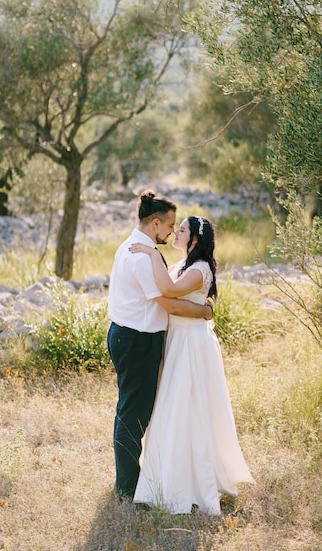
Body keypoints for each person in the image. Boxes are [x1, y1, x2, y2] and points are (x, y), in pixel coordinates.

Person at [129, 215, 254, 515]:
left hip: (192, 344)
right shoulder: (182, 265)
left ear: (194, 239)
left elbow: (170, 293)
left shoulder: (199, 270)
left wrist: (151, 252)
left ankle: (193, 482)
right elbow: (170, 292)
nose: (175, 232)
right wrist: (202, 309)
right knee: (173, 407)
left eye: (181, 230)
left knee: (191, 408)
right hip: (178, 339)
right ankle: (166, 476)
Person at [107, 191, 214, 501]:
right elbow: (171, 304)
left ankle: (134, 479)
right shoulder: (142, 255)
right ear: (155, 223)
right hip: (137, 340)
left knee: (132, 409)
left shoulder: (132, 246)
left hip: (130, 335)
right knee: (133, 414)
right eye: (169, 226)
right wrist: (206, 312)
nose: (171, 232)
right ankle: (128, 488)